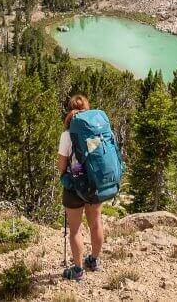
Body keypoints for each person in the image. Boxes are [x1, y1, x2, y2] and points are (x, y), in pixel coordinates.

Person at [57, 94, 105, 282]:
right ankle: (93, 260)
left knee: (75, 229)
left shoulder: (67, 135)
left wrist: (65, 175)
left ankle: (77, 271)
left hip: (74, 186)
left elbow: (62, 164)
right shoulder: (96, 134)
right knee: (96, 223)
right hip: (93, 185)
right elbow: (97, 158)